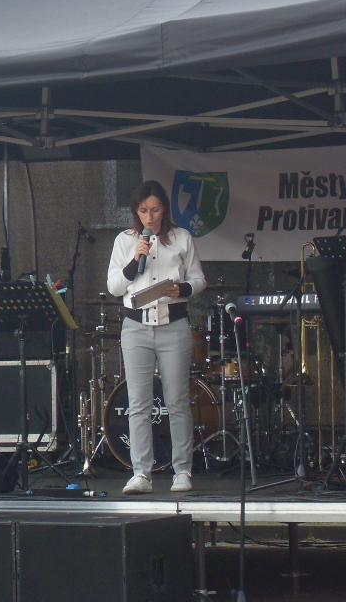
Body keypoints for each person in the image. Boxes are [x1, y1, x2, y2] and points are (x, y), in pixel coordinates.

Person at [107, 180, 206, 494]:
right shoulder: (125, 240)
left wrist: (182, 288)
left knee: (177, 400)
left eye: (155, 210)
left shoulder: (181, 238)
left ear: (165, 209)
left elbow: (198, 279)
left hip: (172, 324)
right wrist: (134, 262)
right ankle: (141, 473)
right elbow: (114, 287)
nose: (149, 217)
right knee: (139, 402)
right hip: (136, 325)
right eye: (143, 211)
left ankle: (182, 471)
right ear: (136, 212)